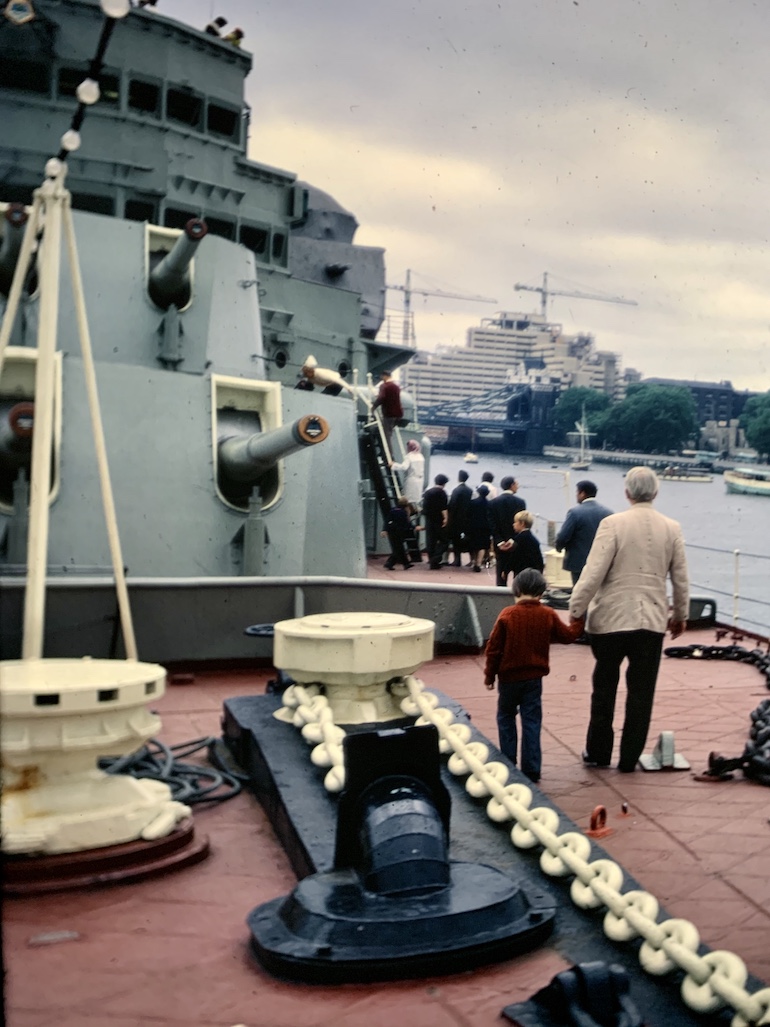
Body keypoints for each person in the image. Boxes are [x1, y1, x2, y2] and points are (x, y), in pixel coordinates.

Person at [569, 466, 689, 773]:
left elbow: (592, 573)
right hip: (650, 621)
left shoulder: (613, 524)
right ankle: (628, 758)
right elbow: (680, 579)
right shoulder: (672, 528)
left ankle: (598, 752)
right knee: (642, 693)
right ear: (656, 493)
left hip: (610, 620)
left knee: (604, 686)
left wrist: (576, 610)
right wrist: (680, 615)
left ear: (627, 493)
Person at [484, 568, 585, 782]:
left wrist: (489, 676)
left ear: (516, 589)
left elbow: (493, 649)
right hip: (533, 679)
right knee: (532, 721)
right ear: (541, 592)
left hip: (508, 679)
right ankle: (532, 769)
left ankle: (508, 763)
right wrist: (578, 620)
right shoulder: (547, 614)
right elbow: (568, 636)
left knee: (506, 717)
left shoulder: (507, 615)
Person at [554, 481, 613, 585]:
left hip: (579, 563)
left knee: (579, 593)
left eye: (577, 492)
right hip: (601, 563)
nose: (576, 495)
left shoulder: (575, 512)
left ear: (582, 493)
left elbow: (563, 536)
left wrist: (559, 548)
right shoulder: (608, 513)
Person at [488, 475, 526, 587]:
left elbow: (492, 524)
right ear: (512, 485)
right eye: (516, 484)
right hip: (516, 543)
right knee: (518, 573)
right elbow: (522, 523)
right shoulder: (520, 502)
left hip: (500, 544)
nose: (517, 486)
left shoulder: (493, 503)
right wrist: (513, 540)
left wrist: (499, 541)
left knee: (500, 573)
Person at [371, 370, 403, 459]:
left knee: (386, 435)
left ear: (385, 376)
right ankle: (388, 452)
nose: (381, 379)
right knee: (389, 432)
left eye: (382, 376)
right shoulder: (396, 386)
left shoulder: (384, 386)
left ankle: (389, 455)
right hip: (398, 414)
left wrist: (373, 407)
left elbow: (382, 397)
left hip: (389, 414)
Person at [422, 474, 449, 569]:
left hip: (429, 519)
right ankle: (436, 558)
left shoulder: (427, 492)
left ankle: (432, 561)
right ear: (444, 483)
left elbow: (424, 507)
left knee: (430, 541)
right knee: (444, 541)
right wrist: (446, 518)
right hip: (438, 520)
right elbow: (443, 507)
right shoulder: (442, 493)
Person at [389, 439, 425, 512]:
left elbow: (404, 467)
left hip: (411, 480)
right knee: (415, 498)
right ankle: (415, 509)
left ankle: (408, 511)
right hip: (420, 480)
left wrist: (393, 465)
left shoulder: (409, 456)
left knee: (407, 498)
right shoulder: (421, 456)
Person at [447, 469, 473, 566]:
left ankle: (457, 559)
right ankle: (471, 559)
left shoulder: (456, 490)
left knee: (455, 540)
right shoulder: (470, 490)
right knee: (468, 539)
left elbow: (452, 504)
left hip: (456, 519)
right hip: (467, 519)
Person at [465, 483, 492, 572]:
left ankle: (473, 561)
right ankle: (479, 563)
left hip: (473, 526)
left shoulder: (472, 502)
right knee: (482, 546)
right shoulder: (490, 504)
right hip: (485, 527)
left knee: (473, 545)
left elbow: (467, 515)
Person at [381, 496, 413, 571]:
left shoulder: (393, 510)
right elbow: (406, 523)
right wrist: (413, 527)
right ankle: (390, 563)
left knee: (399, 548)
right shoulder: (403, 512)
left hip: (392, 531)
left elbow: (387, 520)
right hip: (400, 532)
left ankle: (406, 564)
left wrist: (385, 530)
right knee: (398, 549)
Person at [509, 510, 544, 576]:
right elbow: (539, 557)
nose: (513, 524)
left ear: (522, 523)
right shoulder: (534, 540)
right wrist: (540, 570)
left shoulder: (518, 539)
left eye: (515, 522)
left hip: (520, 571)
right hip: (533, 571)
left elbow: (513, 556)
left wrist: (506, 570)